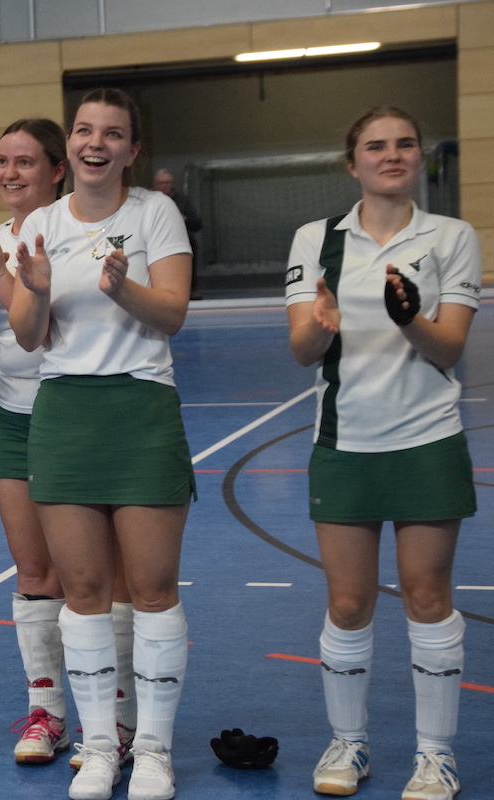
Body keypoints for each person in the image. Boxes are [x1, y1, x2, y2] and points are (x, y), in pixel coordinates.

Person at [285, 106, 479, 800]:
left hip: (427, 441)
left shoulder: (452, 236)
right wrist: (323, 326)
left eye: (404, 144)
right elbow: (302, 348)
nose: (391, 155)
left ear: (420, 157)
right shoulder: (316, 239)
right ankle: (349, 743)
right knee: (347, 603)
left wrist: (409, 318)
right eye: (375, 146)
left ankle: (435, 757)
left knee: (427, 596)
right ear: (353, 162)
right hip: (344, 445)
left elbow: (449, 348)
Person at [8, 88, 195, 800]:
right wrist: (35, 289)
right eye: (84, 130)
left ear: (131, 150)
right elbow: (29, 336)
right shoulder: (42, 223)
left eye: (112, 134)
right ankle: (97, 748)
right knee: (83, 592)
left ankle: (152, 750)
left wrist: (122, 289)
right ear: (71, 144)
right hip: (65, 412)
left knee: (151, 590)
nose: (96, 143)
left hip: (141, 408)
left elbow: (172, 312)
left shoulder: (154, 213)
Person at [0, 118, 140, 769]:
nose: (10, 173)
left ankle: (115, 719)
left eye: (25, 162)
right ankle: (47, 712)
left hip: (82, 417)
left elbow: (50, 330)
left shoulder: (73, 235)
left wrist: (0, 274)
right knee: (34, 574)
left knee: (103, 577)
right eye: (2, 161)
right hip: (16, 420)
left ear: (57, 170)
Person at [152, 169, 202, 299]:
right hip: (156, 240)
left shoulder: (183, 201)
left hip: (181, 240)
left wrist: (183, 219)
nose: (165, 186)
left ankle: (190, 289)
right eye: (162, 183)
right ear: (156, 184)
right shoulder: (149, 201)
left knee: (189, 248)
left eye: (168, 183)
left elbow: (197, 223)